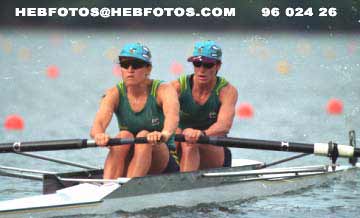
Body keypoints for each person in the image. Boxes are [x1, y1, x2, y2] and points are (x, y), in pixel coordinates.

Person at [90, 43, 180, 179]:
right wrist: (99, 135)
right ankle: (107, 186)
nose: (130, 69)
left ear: (148, 69)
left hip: (163, 160)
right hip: (130, 156)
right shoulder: (114, 93)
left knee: (143, 135)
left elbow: (173, 117)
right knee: (124, 135)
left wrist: (164, 133)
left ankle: (127, 188)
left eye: (136, 64)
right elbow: (98, 124)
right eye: (125, 65)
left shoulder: (164, 90)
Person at [171, 40, 238, 172]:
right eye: (197, 64)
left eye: (208, 65)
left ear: (218, 66)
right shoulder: (176, 87)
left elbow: (224, 126)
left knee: (190, 142)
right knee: (179, 134)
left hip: (213, 150)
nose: (202, 70)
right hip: (180, 144)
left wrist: (201, 134)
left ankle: (184, 187)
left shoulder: (227, 91)